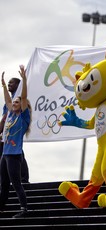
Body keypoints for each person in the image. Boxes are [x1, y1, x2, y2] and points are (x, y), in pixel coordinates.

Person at [0, 65, 31, 218]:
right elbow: (7, 99)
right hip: (4, 154)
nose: (14, 104)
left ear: (22, 105)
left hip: (14, 155)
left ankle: (24, 209)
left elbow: (24, 97)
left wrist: (24, 79)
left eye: (17, 103)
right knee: (3, 184)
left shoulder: (23, 117)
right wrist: (4, 85)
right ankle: (1, 208)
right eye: (14, 102)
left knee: (16, 184)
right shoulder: (10, 114)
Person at [0, 77, 29, 183]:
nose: (9, 83)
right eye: (8, 82)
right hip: (8, 133)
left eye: (11, 82)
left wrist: (24, 79)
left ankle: (24, 178)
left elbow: (24, 97)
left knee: (18, 152)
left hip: (17, 131)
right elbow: (4, 118)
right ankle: (5, 179)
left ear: (18, 85)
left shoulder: (20, 99)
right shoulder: (8, 103)